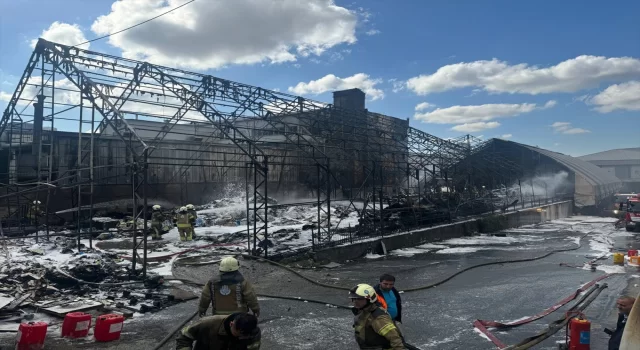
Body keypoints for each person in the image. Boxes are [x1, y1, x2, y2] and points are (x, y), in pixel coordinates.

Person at [349, 283, 405, 350]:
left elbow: (395, 339)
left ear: (370, 299)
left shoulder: (378, 318)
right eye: (353, 298)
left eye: (359, 299)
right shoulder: (363, 312)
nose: (355, 301)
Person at [175, 312, 261, 350]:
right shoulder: (208, 324)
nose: (240, 337)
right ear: (231, 324)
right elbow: (184, 336)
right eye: (238, 334)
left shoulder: (253, 332)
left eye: (243, 336)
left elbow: (253, 348)